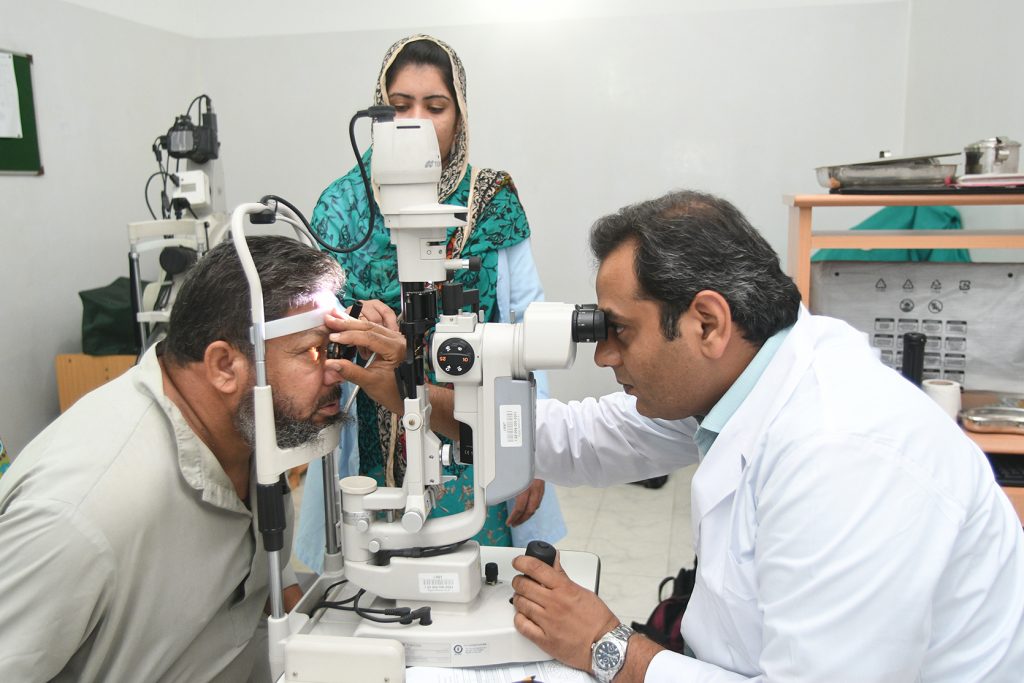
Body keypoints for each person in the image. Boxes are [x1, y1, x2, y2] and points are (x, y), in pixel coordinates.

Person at [326, 190, 1024, 681]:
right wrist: (410, 390)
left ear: (708, 322)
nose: (602, 355)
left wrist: (607, 647)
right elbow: (574, 435)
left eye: (618, 331)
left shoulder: (844, 457)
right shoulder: (754, 370)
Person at [0, 236, 358, 681]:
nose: (338, 371)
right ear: (224, 366)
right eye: (315, 351)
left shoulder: (248, 435)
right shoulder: (80, 515)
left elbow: (265, 589)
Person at [296, 33, 563, 572]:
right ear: (377, 112)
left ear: (459, 116)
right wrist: (352, 321)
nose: (416, 121)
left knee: (483, 571)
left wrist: (533, 449)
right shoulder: (342, 207)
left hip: (477, 424)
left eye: (435, 107)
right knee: (377, 571)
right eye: (399, 107)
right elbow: (310, 321)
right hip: (370, 424)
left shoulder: (491, 200)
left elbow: (526, 324)